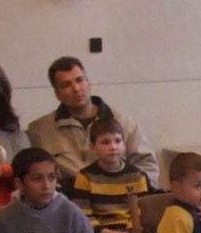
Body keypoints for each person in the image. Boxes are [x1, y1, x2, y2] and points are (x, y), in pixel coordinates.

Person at [26, 57, 160, 187]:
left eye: (79, 80)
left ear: (89, 83)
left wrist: (134, 192)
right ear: (57, 94)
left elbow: (147, 166)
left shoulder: (123, 123)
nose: (76, 88)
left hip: (121, 197)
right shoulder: (40, 130)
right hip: (68, 199)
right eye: (66, 85)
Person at [70, 115, 152, 233]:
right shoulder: (85, 177)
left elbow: (140, 211)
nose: (113, 147)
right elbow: (83, 214)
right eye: (105, 142)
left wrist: (130, 232)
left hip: (132, 231)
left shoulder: (137, 175)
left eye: (117, 141)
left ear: (124, 145)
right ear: (93, 148)